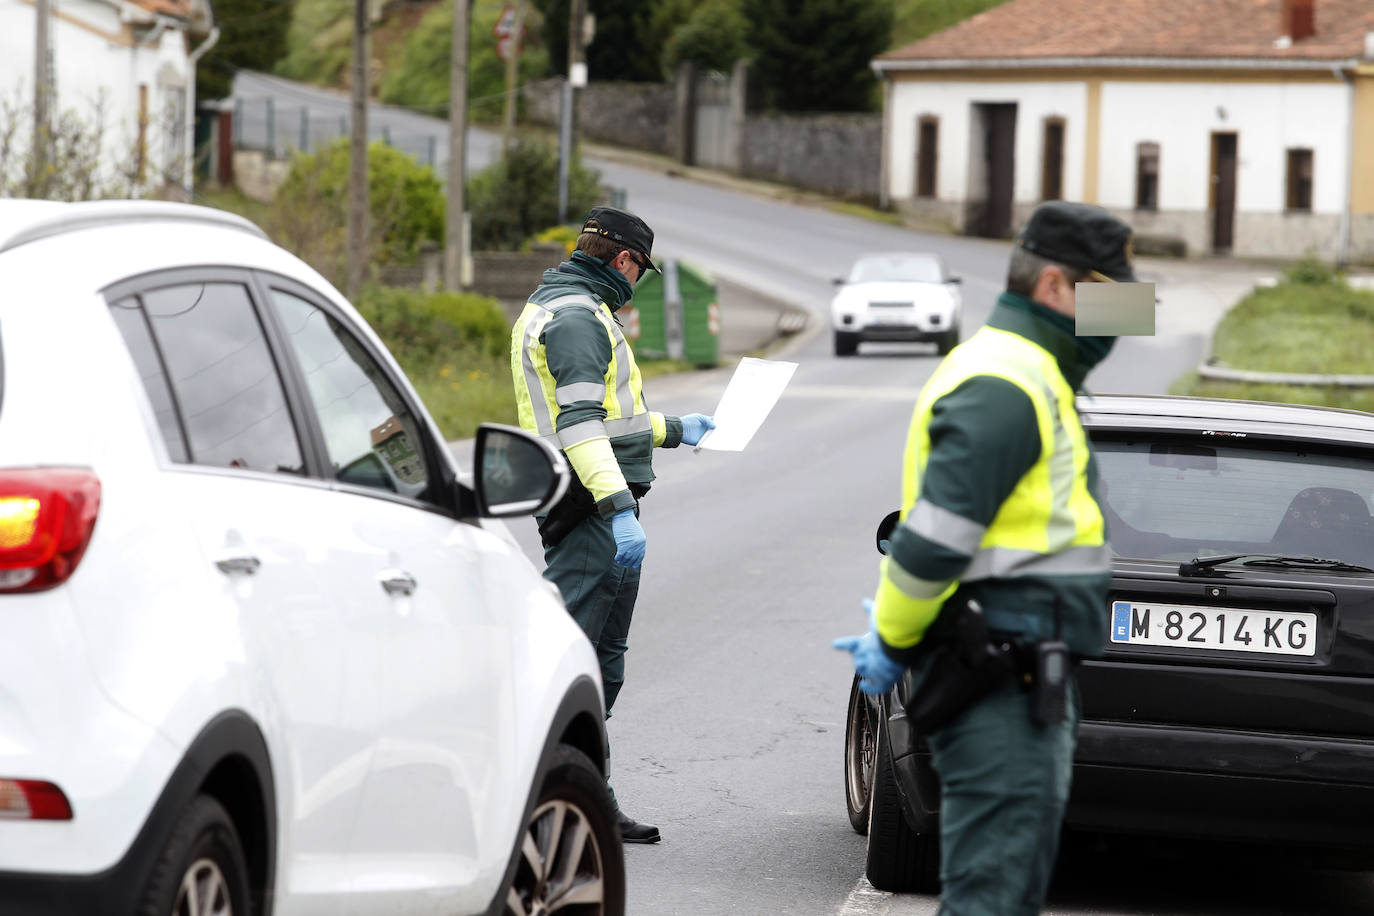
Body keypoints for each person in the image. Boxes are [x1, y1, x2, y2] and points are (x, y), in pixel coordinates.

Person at [834, 200, 1134, 915]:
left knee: (1008, 888)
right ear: (1057, 287)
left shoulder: (1032, 372)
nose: (1126, 313)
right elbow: (933, 539)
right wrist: (895, 639)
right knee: (990, 895)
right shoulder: (1005, 382)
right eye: (1114, 291)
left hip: (1021, 676)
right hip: (998, 678)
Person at [510, 205, 715, 844]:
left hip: (599, 502)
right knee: (568, 663)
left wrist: (677, 429)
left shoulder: (576, 307)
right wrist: (619, 509)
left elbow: (609, 417)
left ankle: (589, 792)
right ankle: (531, 795)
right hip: (589, 508)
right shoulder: (575, 317)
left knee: (603, 662)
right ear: (623, 260)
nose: (637, 285)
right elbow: (576, 426)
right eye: (639, 271)